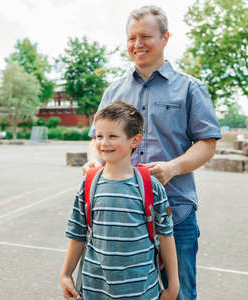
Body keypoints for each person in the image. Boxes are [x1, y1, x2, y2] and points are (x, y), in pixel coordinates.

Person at [83, 5, 222, 300]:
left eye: (145, 36)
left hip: (176, 211)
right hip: (122, 216)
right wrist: (93, 161)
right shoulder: (114, 90)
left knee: (179, 294)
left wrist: (172, 168)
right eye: (131, 38)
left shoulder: (190, 88)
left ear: (165, 37)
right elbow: (96, 140)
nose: (137, 44)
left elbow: (208, 144)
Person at [61, 101, 179, 300]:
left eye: (113, 136)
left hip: (141, 292)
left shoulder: (151, 187)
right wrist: (65, 274)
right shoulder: (89, 183)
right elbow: (77, 233)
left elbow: (166, 236)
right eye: (99, 136)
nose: (103, 143)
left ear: (135, 140)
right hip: (95, 290)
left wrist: (173, 285)